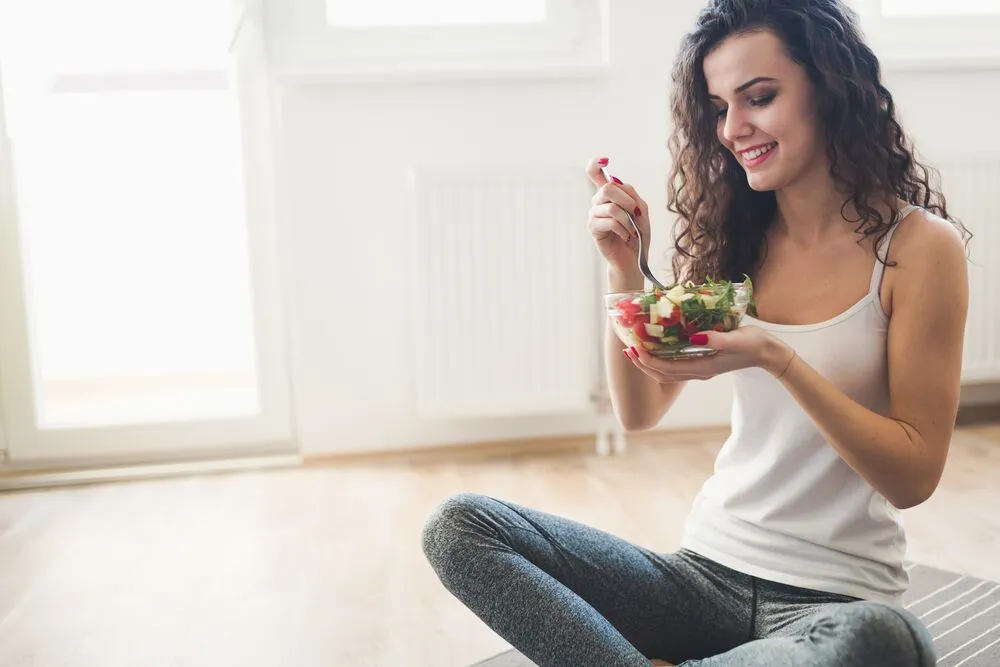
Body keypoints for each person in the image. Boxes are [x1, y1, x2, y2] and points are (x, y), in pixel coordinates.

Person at [421, 0, 971, 665]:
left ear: (830, 89)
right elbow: (640, 409)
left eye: (758, 97)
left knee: (889, 638)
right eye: (717, 108)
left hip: (833, 603)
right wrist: (623, 268)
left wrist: (778, 358)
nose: (734, 128)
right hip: (703, 575)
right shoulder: (733, 238)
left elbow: (913, 475)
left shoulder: (917, 249)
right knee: (459, 526)